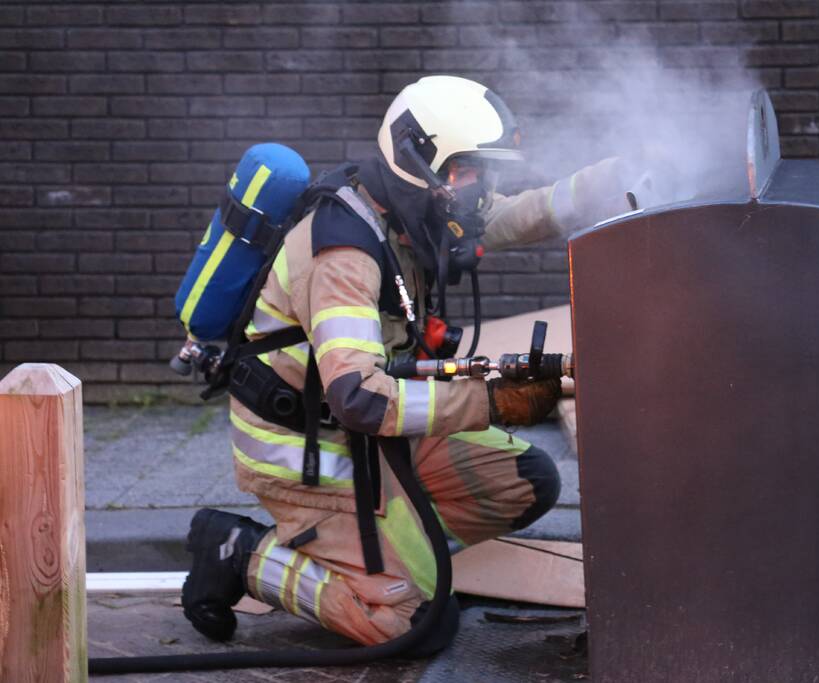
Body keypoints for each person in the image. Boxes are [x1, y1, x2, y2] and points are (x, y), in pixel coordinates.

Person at [181, 75, 631, 655]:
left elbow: (523, 213)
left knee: (527, 483)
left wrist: (621, 177)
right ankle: (240, 554)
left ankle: (393, 554)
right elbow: (360, 397)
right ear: (423, 159)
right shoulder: (342, 252)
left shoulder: (413, 208)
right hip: (308, 449)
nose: (479, 189)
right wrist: (494, 400)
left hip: (371, 433)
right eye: (469, 172)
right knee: (412, 623)